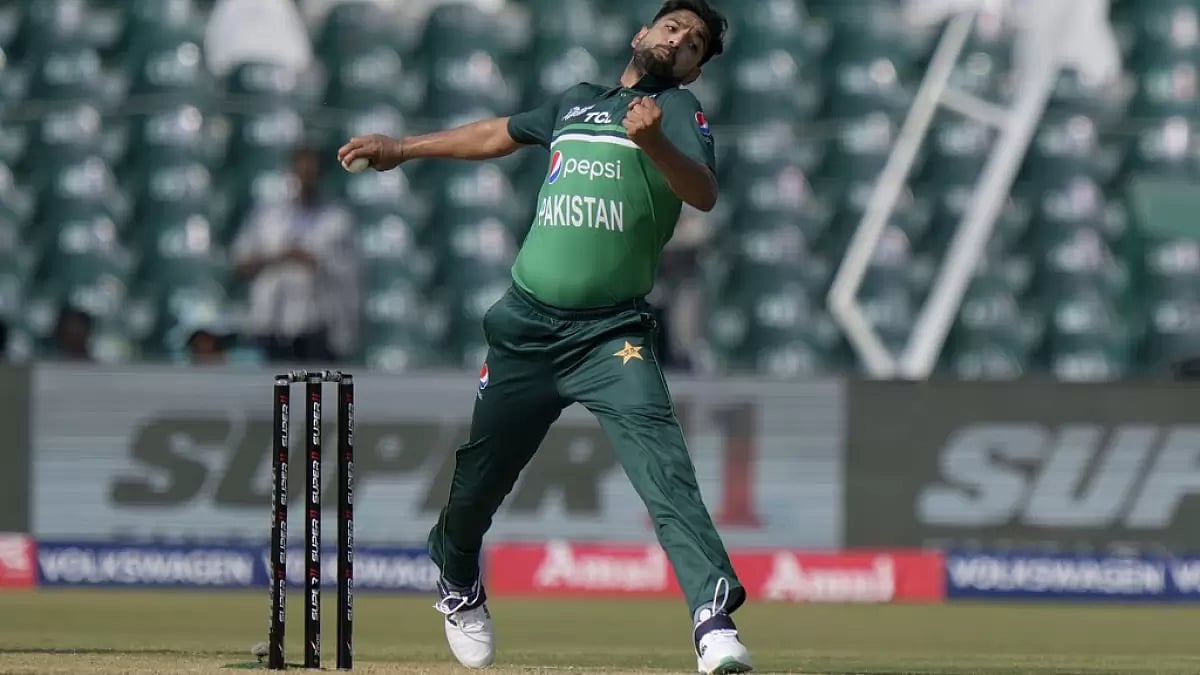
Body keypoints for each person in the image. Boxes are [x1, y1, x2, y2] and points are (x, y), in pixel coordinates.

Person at [338, 2, 751, 673]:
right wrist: (404, 148)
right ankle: (457, 572)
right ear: (641, 34)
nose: (680, 40)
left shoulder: (676, 114)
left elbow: (702, 193)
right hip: (526, 330)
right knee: (479, 480)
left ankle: (714, 622)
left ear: (695, 70)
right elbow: (496, 134)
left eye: (694, 43)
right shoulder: (578, 101)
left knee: (664, 469)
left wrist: (655, 144)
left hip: (610, 335)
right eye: (673, 27)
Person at [232, 147, 360, 364]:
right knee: (275, 392)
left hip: (317, 325)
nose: (306, 179)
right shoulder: (268, 217)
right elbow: (241, 263)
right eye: (302, 172)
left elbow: (351, 274)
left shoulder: (337, 219)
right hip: (271, 323)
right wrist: (281, 256)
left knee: (315, 392)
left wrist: (316, 262)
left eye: (312, 173)